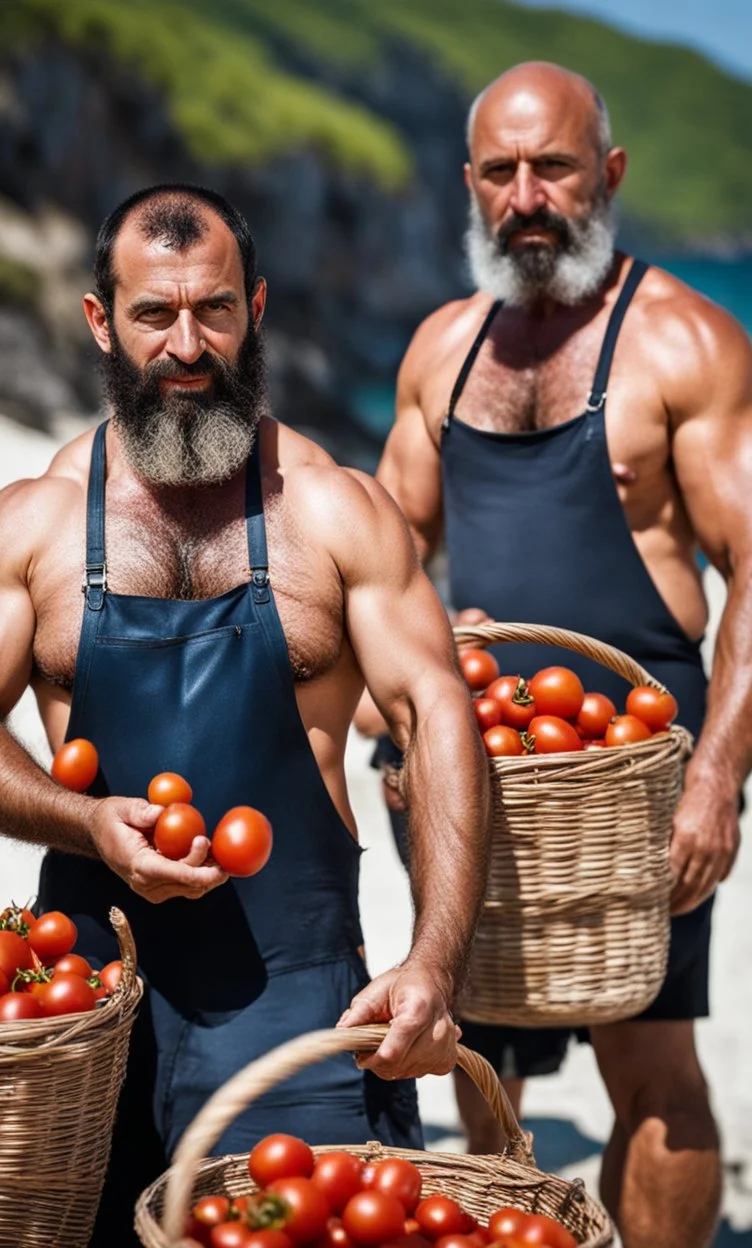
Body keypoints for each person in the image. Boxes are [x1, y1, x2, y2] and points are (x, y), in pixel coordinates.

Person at [0, 184, 490, 1243]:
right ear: (102, 322)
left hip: (301, 1002)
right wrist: (82, 822)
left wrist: (432, 965)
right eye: (153, 315)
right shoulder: (36, 524)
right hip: (82, 999)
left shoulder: (332, 510)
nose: (188, 346)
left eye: (214, 311)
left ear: (256, 309)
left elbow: (437, 712)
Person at [358, 61, 752, 1248]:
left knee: (651, 1066)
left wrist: (716, 779)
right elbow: (388, 547)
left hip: (633, 779)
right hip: (476, 751)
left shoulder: (684, 343)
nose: (527, 197)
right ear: (470, 184)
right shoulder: (443, 349)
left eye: (555, 168)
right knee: (480, 1063)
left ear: (609, 174)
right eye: (501, 172)